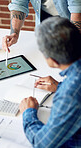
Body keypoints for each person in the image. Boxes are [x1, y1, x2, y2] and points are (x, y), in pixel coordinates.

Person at [19, 16, 81, 147]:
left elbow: (42, 143)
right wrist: (60, 86)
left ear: (53, 60)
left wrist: (28, 112)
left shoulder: (69, 94)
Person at [2, 0, 81, 52]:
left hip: (72, 24)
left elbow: (77, 11)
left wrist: (74, 43)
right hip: (45, 24)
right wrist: (14, 33)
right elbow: (18, 5)